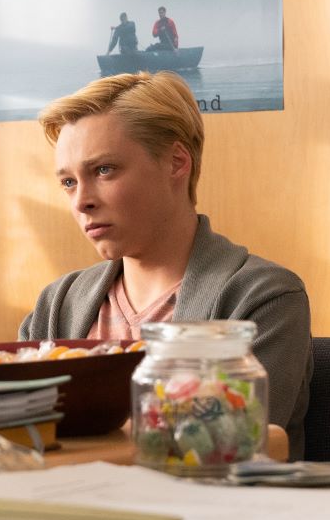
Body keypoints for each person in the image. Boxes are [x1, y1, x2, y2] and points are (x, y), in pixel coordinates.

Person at [20, 71, 312, 455]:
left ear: (177, 162)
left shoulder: (265, 297)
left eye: (104, 170)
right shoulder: (57, 302)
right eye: (69, 182)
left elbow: (226, 447)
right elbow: (11, 431)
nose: (81, 201)